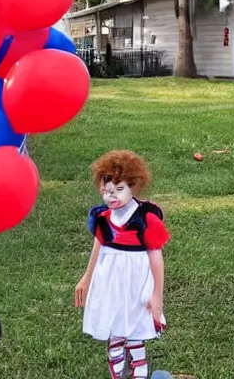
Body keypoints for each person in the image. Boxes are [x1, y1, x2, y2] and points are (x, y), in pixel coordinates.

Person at [76, 150, 171, 379]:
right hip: (109, 284)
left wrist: (157, 295)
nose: (112, 196)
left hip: (136, 285)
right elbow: (99, 246)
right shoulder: (102, 217)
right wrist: (86, 278)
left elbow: (156, 258)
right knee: (115, 335)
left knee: (136, 336)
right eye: (108, 191)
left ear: (133, 187)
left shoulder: (146, 218)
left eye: (119, 190)